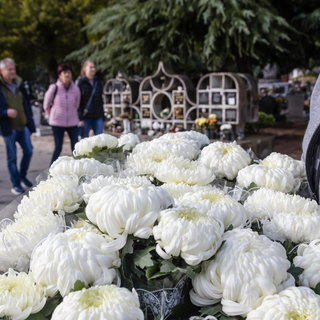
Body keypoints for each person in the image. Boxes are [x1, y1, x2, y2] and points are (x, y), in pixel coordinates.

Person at [0, 58, 36, 195]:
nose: (12, 71)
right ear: (1, 71)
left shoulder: (20, 84)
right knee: (12, 157)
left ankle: (22, 176)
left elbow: (26, 105)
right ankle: (15, 184)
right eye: (9, 69)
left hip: (23, 125)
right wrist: (5, 112)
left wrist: (31, 124)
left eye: (13, 69)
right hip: (9, 128)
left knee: (28, 151)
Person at [43, 64, 80, 164]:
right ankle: (52, 170)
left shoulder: (76, 89)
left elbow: (77, 104)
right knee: (58, 147)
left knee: (76, 147)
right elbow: (46, 104)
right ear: (60, 75)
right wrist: (52, 115)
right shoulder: (54, 88)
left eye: (69, 72)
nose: (67, 75)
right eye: (64, 73)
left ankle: (78, 167)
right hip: (57, 122)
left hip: (72, 121)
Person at [77, 60, 104, 138]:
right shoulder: (80, 83)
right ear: (84, 69)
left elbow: (100, 100)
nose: (93, 69)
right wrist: (80, 118)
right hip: (85, 116)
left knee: (100, 140)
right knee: (84, 141)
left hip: (98, 116)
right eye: (91, 67)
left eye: (94, 67)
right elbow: (78, 102)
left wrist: (103, 117)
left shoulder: (98, 82)